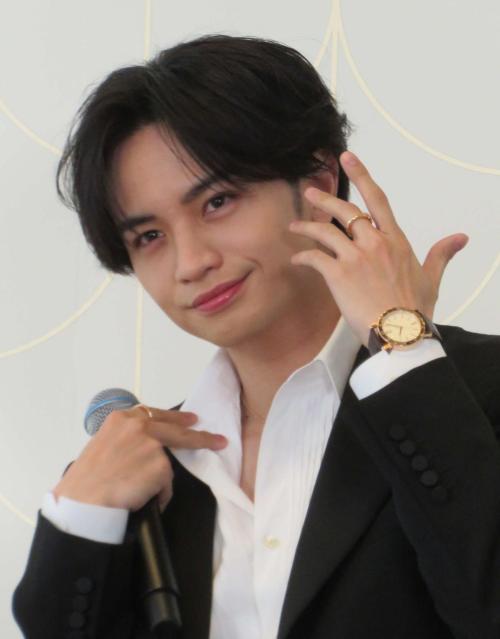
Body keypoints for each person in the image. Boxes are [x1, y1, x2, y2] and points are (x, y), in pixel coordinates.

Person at [12, 34, 500, 639]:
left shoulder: (473, 393)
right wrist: (78, 522)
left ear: (317, 181)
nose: (191, 262)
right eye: (149, 236)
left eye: (218, 201)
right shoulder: (142, 474)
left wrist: (402, 346)